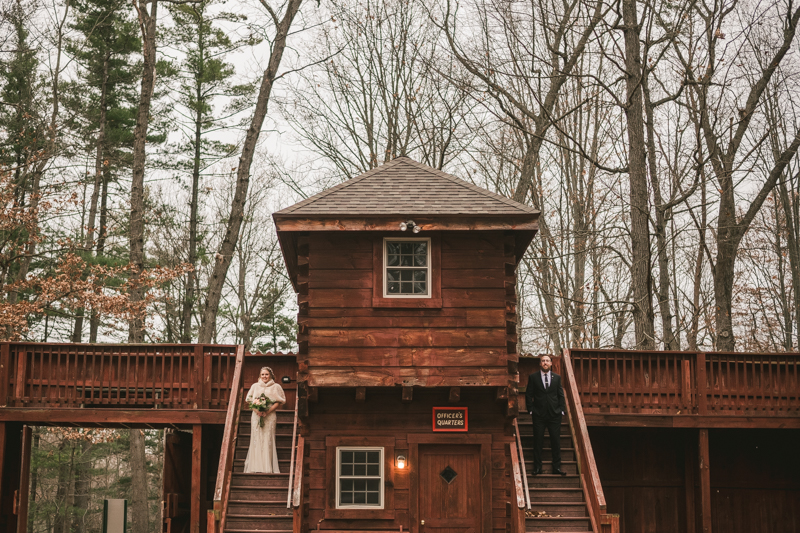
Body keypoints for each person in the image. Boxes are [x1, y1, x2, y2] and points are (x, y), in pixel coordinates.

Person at [525, 355, 567, 476]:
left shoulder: (557, 378)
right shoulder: (533, 377)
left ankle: (556, 468)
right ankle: (537, 468)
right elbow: (529, 394)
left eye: (547, 361)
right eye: (543, 361)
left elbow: (560, 395)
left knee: (556, 441)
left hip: (554, 415)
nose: (545, 363)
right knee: (538, 441)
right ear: (540, 363)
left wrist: (561, 409)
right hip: (539, 415)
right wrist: (531, 410)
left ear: (551, 364)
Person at [244, 366, 286, 473]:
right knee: (256, 438)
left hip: (269, 416)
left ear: (271, 375)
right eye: (262, 374)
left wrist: (267, 411)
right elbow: (249, 400)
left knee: (268, 438)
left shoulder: (276, 386)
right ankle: (255, 466)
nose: (264, 376)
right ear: (259, 375)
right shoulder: (255, 386)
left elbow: (278, 401)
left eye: (266, 374)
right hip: (256, 415)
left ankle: (267, 467)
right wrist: (256, 410)